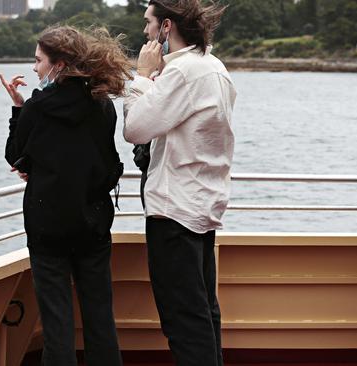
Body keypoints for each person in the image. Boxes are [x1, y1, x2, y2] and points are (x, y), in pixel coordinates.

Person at [1, 26, 131, 366]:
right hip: (91, 223)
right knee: (100, 317)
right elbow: (108, 164)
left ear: (58, 65)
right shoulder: (102, 105)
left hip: (48, 227)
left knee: (57, 325)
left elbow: (16, 155)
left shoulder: (37, 108)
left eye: (38, 60)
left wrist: (18, 109)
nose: (34, 68)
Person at [122, 1, 236, 365]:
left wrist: (141, 77)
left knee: (183, 318)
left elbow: (135, 128)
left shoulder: (182, 73)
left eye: (149, 24)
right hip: (202, 204)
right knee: (203, 311)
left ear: (166, 27)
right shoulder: (215, 68)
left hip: (174, 209)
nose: (145, 32)